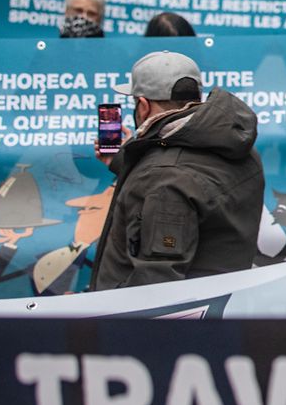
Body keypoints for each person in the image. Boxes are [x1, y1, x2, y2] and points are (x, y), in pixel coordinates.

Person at [89, 51, 265, 289]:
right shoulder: (234, 146)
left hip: (139, 319)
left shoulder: (162, 177)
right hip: (218, 309)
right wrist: (122, 161)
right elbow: (197, 181)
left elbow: (155, 284)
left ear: (143, 106)